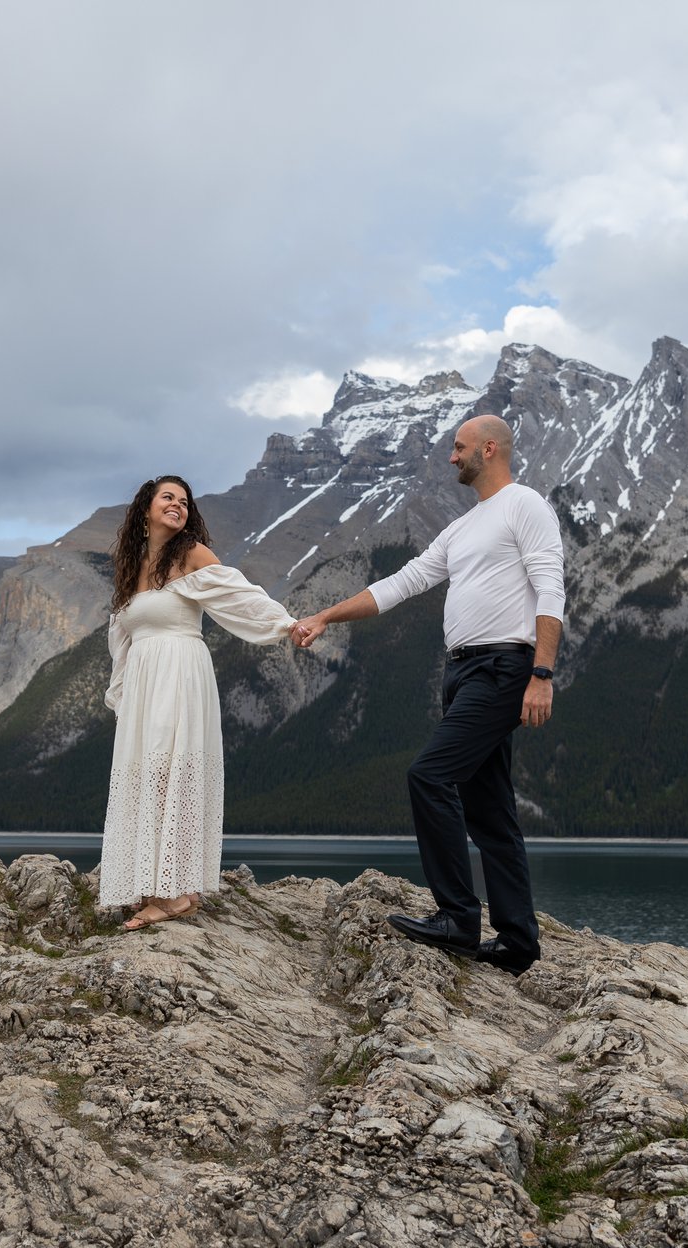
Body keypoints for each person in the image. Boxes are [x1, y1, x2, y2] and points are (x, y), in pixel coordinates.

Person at [293, 415, 564, 975]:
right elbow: (404, 582)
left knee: (429, 776)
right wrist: (325, 616)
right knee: (491, 813)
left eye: (459, 448)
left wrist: (542, 673)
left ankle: (458, 918)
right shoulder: (462, 527)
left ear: (489, 449)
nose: (451, 457)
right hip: (461, 672)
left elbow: (550, 588)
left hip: (504, 667)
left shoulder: (525, 505)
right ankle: (518, 943)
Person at [100, 475, 297, 930]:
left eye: (184, 501)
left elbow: (240, 596)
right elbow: (123, 637)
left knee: (172, 770)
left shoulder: (191, 553)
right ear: (145, 509)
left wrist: (287, 625)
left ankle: (173, 895)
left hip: (179, 669)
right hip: (145, 678)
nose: (177, 505)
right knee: (148, 772)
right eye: (167, 497)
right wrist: (124, 691)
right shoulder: (131, 566)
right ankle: (161, 886)